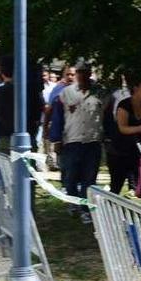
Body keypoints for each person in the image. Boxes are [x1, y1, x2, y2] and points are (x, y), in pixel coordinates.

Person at [56, 62, 104, 224]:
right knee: (70, 176)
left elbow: (106, 116)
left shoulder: (99, 93)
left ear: (90, 74)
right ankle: (73, 203)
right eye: (79, 73)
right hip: (72, 140)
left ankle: (85, 210)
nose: (82, 76)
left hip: (93, 141)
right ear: (76, 74)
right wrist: (56, 139)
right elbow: (57, 117)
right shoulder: (66, 93)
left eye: (85, 72)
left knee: (89, 178)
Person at [0, 56, 45, 154]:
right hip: (28, 138)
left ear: (1, 72)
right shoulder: (31, 92)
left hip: (6, 137)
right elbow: (39, 113)